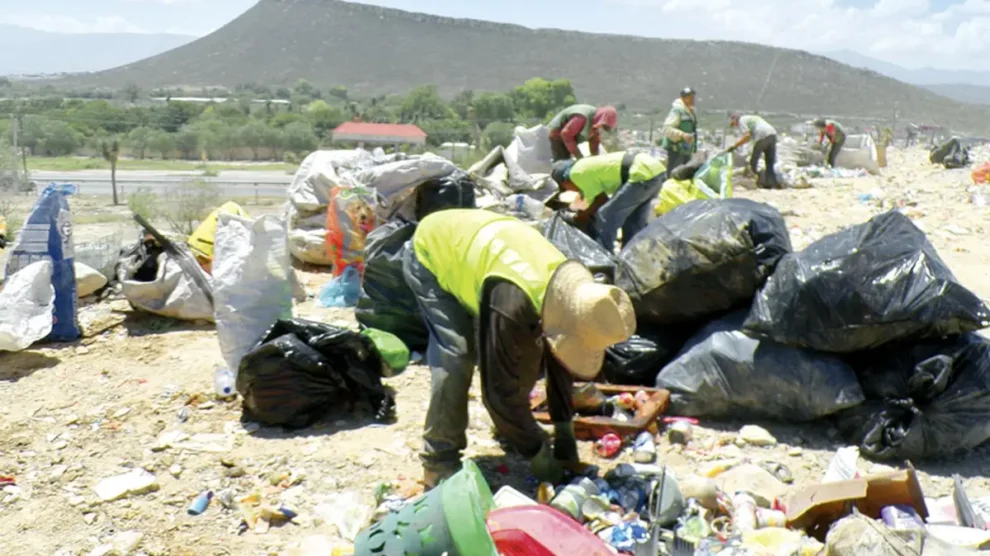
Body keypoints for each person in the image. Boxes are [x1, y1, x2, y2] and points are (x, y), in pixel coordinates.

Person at [403, 209, 636, 488]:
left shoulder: (574, 292)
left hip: (484, 248)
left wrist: (564, 430)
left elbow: (559, 358)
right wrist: (537, 450)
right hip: (435, 248)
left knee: (525, 352)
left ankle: (513, 429)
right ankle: (438, 459)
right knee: (457, 356)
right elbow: (496, 391)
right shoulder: (512, 303)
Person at [551, 151, 666, 250]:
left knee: (605, 216)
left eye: (566, 189)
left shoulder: (575, 174)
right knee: (633, 221)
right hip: (655, 171)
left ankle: (603, 259)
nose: (570, 190)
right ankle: (630, 258)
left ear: (564, 182)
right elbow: (602, 199)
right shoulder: (583, 166)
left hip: (641, 173)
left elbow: (599, 201)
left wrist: (579, 217)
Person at [548, 104, 618, 161]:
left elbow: (594, 141)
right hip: (557, 135)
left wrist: (595, 159)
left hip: (570, 137)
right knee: (563, 163)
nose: (603, 128)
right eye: (604, 126)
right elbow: (566, 134)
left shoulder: (596, 126)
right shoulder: (581, 118)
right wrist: (579, 157)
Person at [729, 113, 779, 188]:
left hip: (762, 135)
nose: (735, 126)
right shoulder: (750, 118)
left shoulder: (741, 121)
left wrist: (735, 146)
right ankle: (771, 184)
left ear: (735, 120)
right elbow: (749, 138)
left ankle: (755, 181)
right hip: (772, 134)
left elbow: (747, 136)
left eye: (734, 124)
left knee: (754, 161)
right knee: (769, 162)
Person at [661, 88, 699, 174]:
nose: (693, 99)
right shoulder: (677, 110)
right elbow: (667, 129)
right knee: (674, 175)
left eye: (693, 97)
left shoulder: (690, 112)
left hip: (686, 150)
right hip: (676, 150)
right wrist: (683, 135)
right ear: (683, 98)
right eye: (689, 97)